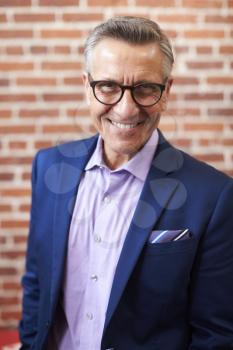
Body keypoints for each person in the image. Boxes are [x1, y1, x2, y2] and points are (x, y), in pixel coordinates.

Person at [19, 16, 233, 350]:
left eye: (145, 88)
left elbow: (216, 335)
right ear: (87, 85)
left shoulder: (214, 196)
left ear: (166, 92)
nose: (126, 108)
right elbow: (36, 284)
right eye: (108, 87)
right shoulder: (48, 167)